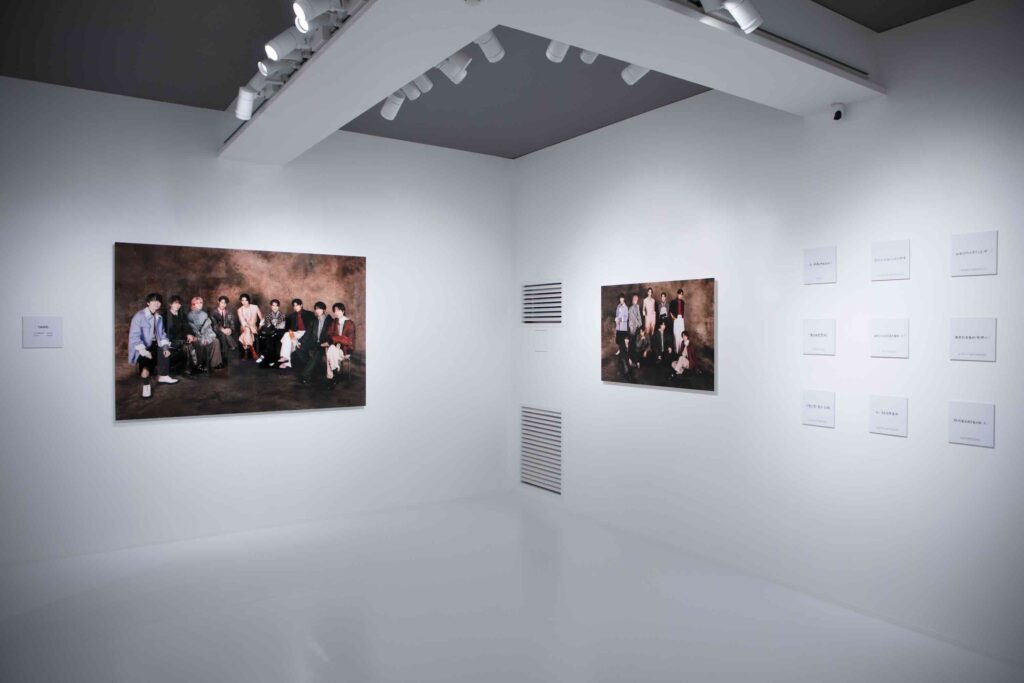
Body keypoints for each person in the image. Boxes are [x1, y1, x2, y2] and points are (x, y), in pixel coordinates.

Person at [127, 293, 179, 398]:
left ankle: (163, 376)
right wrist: (144, 351)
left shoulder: (158, 317)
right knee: (146, 365)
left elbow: (162, 334)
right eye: (154, 301)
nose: (157, 303)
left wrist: (165, 347)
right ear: (148, 303)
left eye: (159, 301)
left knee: (166, 350)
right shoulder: (139, 316)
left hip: (155, 344)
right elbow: (134, 337)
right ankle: (146, 385)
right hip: (142, 346)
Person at [186, 296, 223, 372]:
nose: (200, 304)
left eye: (201, 303)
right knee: (199, 342)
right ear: (193, 304)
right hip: (195, 335)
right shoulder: (190, 315)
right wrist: (202, 338)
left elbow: (208, 328)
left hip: (205, 335)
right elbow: (192, 329)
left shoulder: (204, 314)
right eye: (197, 303)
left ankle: (215, 363)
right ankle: (201, 364)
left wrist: (207, 338)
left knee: (216, 341)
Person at [300, 302, 332, 385]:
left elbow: (332, 334)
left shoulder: (329, 321)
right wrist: (300, 342)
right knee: (299, 348)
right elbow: (307, 334)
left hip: (324, 343)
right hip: (314, 342)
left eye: (319, 309)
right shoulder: (313, 321)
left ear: (324, 310)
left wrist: (327, 342)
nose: (317, 310)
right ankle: (313, 367)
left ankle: (305, 375)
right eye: (316, 309)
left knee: (317, 352)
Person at [280, 298, 316, 369]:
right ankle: (285, 358)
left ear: (301, 305)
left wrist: (297, 340)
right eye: (294, 306)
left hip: (307, 333)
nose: (295, 307)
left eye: (297, 305)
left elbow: (312, 328)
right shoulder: (291, 316)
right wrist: (294, 340)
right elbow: (289, 329)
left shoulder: (309, 314)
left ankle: (286, 362)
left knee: (289, 341)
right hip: (297, 333)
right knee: (287, 335)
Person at [325, 302, 356, 384]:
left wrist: (337, 340)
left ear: (343, 311)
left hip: (345, 350)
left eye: (338, 310)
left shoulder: (350, 323)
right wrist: (338, 341)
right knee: (331, 350)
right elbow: (328, 335)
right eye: (334, 311)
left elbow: (349, 340)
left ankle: (332, 376)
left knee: (330, 352)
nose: (336, 313)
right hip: (335, 347)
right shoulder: (333, 322)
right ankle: (334, 374)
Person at [163, 295, 194, 377]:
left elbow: (187, 326)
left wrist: (189, 334)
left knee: (191, 342)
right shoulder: (165, 316)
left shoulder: (182, 315)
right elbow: (163, 332)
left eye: (179, 304)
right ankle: (187, 371)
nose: (177, 305)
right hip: (169, 340)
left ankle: (191, 368)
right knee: (186, 346)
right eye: (175, 303)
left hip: (181, 338)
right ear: (170, 304)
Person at [256, 299, 287, 367]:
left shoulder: (282, 315)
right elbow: (267, 325)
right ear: (271, 306)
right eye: (273, 305)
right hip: (271, 333)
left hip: (280, 333)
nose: (274, 307)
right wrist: (263, 324)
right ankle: (271, 360)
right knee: (268, 336)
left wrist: (272, 323)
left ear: (278, 307)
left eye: (276, 306)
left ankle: (263, 355)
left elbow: (277, 324)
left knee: (271, 336)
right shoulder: (268, 315)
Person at [211, 295, 238, 365]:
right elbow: (214, 325)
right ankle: (232, 346)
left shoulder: (229, 313)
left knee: (226, 335)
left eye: (225, 303)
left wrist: (230, 330)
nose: (223, 305)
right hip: (217, 331)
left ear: (226, 304)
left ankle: (224, 359)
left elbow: (232, 324)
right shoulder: (214, 313)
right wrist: (222, 330)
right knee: (223, 335)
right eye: (222, 302)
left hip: (227, 331)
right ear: (218, 302)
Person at [236, 293, 263, 361]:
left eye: (246, 300)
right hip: (243, 327)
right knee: (247, 329)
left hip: (253, 327)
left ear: (248, 300)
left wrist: (260, 326)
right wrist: (247, 327)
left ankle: (246, 352)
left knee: (245, 333)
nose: (244, 302)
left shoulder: (255, 307)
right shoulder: (239, 310)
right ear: (241, 301)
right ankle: (252, 350)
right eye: (242, 300)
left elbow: (262, 318)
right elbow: (243, 322)